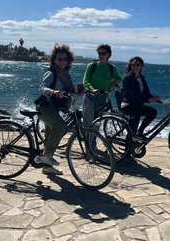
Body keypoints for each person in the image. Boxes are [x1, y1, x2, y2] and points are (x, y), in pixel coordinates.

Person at [35, 43, 77, 175]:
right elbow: (42, 88)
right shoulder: (51, 72)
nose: (62, 61)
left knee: (50, 138)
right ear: (54, 60)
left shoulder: (65, 75)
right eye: (59, 59)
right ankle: (46, 156)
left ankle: (46, 167)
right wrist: (53, 91)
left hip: (54, 108)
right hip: (45, 107)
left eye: (65, 59)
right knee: (60, 127)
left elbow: (69, 92)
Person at [121, 56, 161, 144]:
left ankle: (127, 153)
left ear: (141, 66)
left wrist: (154, 98)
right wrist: (148, 100)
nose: (135, 67)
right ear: (130, 66)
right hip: (128, 105)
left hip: (137, 105)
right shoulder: (127, 78)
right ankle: (140, 133)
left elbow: (146, 93)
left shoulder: (141, 78)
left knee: (132, 130)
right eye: (133, 65)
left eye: (137, 65)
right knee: (152, 112)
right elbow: (133, 94)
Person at [82, 44, 123, 131]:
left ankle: (92, 145)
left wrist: (116, 82)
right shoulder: (91, 66)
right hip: (90, 96)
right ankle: (87, 143)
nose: (101, 56)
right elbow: (85, 81)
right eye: (99, 53)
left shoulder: (111, 68)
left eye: (103, 53)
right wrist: (92, 89)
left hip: (103, 97)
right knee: (88, 122)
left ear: (108, 54)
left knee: (97, 123)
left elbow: (120, 79)